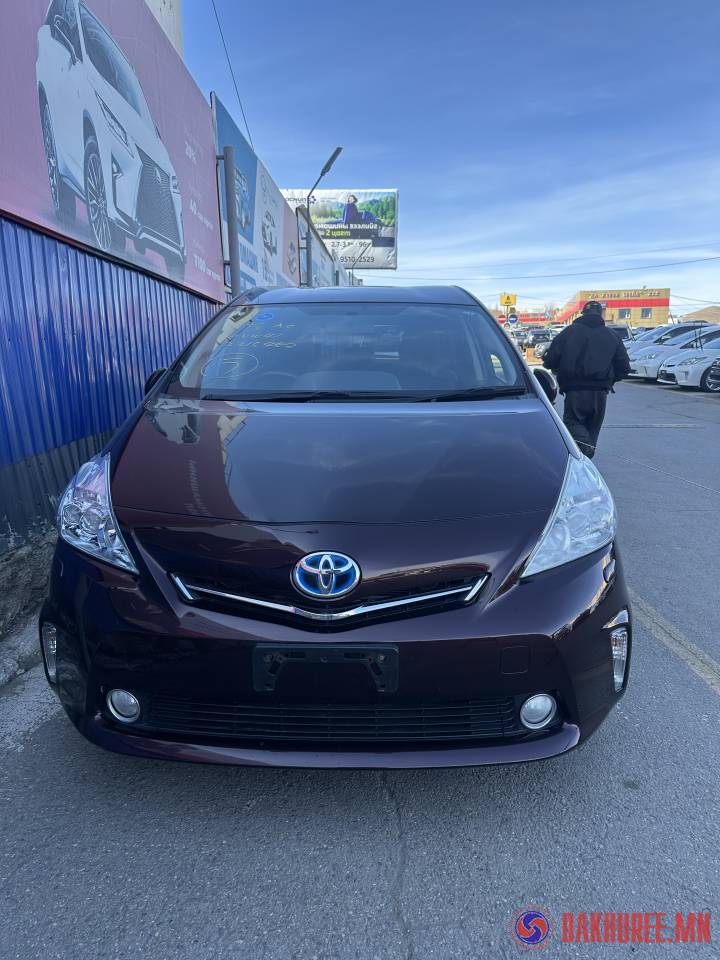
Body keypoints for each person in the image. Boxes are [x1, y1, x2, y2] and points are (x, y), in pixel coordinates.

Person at [542, 300, 630, 458]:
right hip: (600, 393)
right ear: (600, 314)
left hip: (575, 391)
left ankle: (585, 457)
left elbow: (550, 361)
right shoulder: (612, 335)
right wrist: (608, 379)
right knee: (592, 431)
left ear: (583, 314)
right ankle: (586, 458)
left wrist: (560, 369)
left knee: (573, 424)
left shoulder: (568, 333)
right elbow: (624, 368)